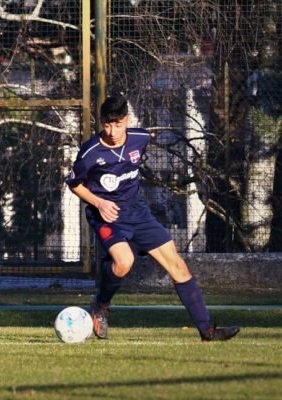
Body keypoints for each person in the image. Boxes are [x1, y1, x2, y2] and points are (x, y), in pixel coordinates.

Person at [66, 94, 239, 341]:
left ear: (126, 120)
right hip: (106, 216)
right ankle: (101, 305)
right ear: (101, 122)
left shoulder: (140, 138)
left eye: (117, 124)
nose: (112, 130)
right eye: (107, 124)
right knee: (124, 261)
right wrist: (99, 202)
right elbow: (74, 183)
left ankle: (208, 331)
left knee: (178, 266)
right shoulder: (91, 151)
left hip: (139, 214)